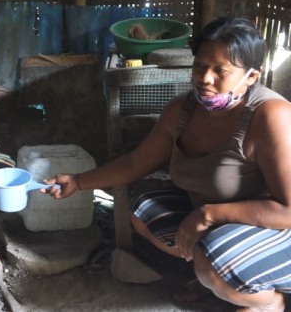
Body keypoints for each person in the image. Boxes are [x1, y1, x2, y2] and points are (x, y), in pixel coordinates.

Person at [43, 17, 291, 312]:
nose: (205, 78)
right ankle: (214, 280)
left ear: (251, 76)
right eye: (200, 66)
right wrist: (79, 182)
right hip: (220, 220)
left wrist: (208, 214)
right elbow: (137, 162)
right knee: (144, 209)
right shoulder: (182, 110)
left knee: (214, 260)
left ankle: (268, 302)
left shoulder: (271, 116)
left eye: (220, 70)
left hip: (276, 228)